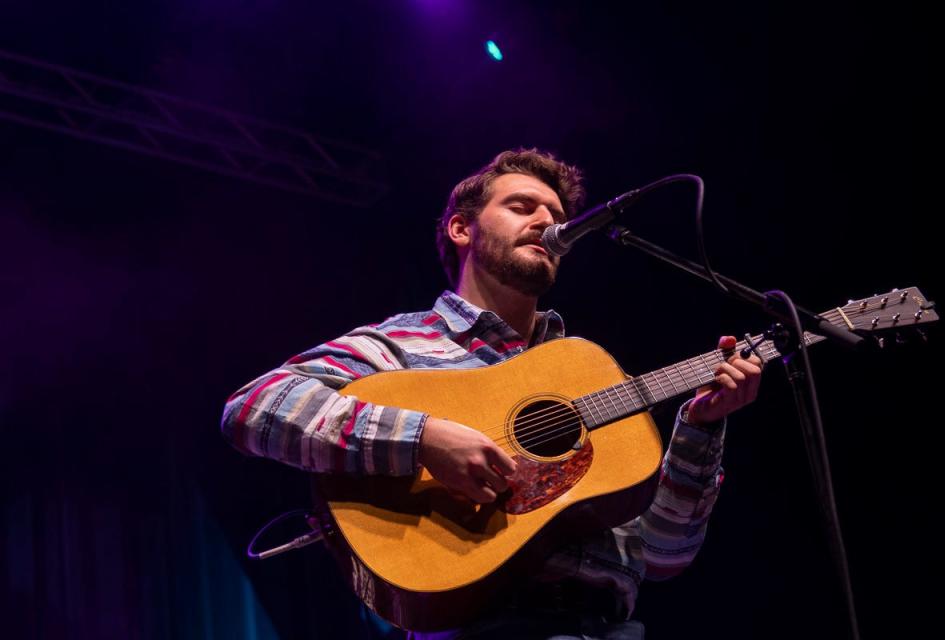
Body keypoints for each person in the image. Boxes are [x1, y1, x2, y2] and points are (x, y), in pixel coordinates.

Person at [221, 149, 763, 639]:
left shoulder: (585, 370)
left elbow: (666, 554)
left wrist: (700, 428)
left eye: (555, 215)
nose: (547, 222)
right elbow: (255, 407)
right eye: (523, 206)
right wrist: (426, 437)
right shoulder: (399, 343)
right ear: (461, 229)